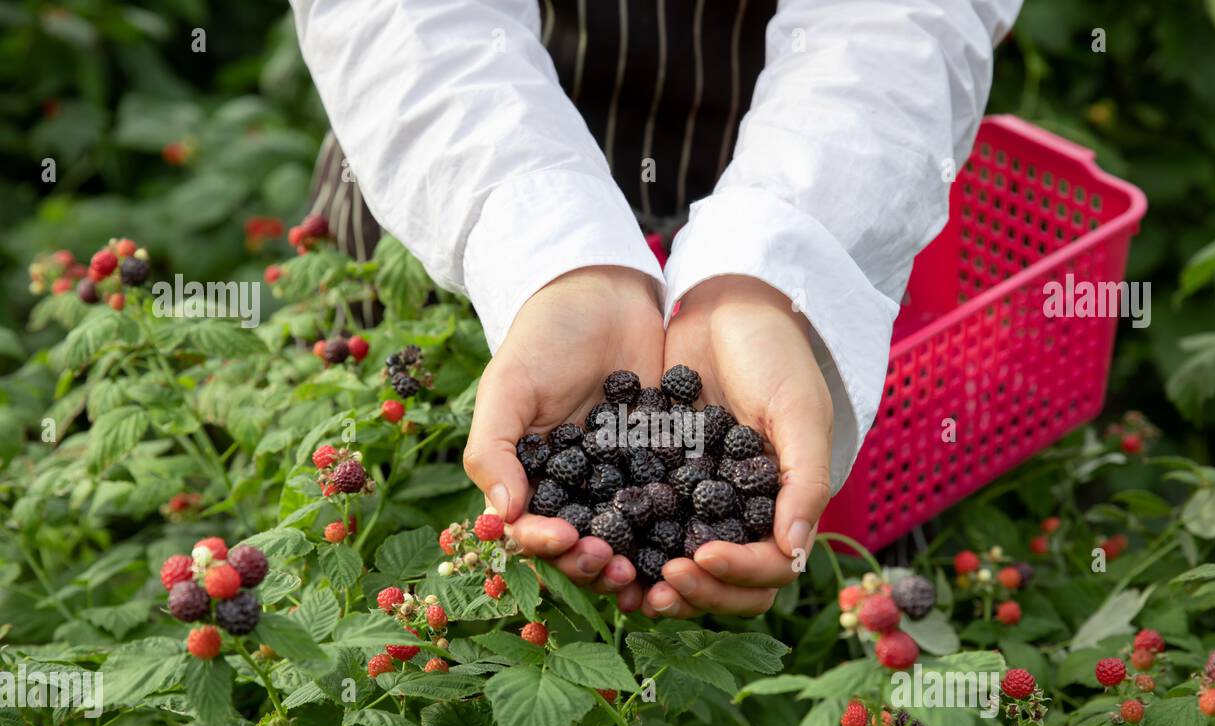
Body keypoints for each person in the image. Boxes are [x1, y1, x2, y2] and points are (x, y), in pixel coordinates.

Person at [290, 0, 1021, 618]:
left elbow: (897, 19)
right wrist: (548, 259)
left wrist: (765, 274)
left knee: (825, 606)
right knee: (388, 556)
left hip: (785, 153)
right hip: (446, 149)